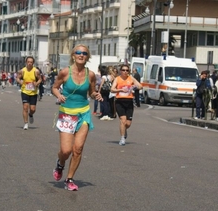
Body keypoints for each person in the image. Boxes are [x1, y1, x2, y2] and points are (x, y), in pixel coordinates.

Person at [52, 44, 103, 191]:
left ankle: (69, 179)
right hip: (67, 114)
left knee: (78, 148)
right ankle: (60, 164)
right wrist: (59, 95)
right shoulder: (65, 73)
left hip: (84, 113)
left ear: (87, 57)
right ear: (73, 55)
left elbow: (92, 92)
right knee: (66, 151)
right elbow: (54, 87)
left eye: (84, 53)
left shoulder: (91, 74)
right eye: (78, 52)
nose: (81, 55)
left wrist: (96, 95)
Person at [110, 64, 142, 146]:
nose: (125, 72)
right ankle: (122, 138)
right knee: (123, 120)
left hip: (129, 102)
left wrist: (134, 86)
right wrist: (120, 89)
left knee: (128, 123)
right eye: (123, 70)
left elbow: (140, 86)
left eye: (127, 70)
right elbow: (112, 89)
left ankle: (124, 130)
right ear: (120, 71)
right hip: (119, 101)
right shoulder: (117, 79)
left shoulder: (131, 78)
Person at [16, 56, 42, 130]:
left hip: (33, 92)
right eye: (28, 62)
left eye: (31, 62)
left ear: (33, 63)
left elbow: (40, 79)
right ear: (26, 62)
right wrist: (20, 82)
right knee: (25, 107)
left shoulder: (36, 71)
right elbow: (17, 78)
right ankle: (26, 123)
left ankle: (30, 114)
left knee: (33, 109)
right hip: (25, 91)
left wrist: (36, 83)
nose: (29, 63)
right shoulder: (22, 71)